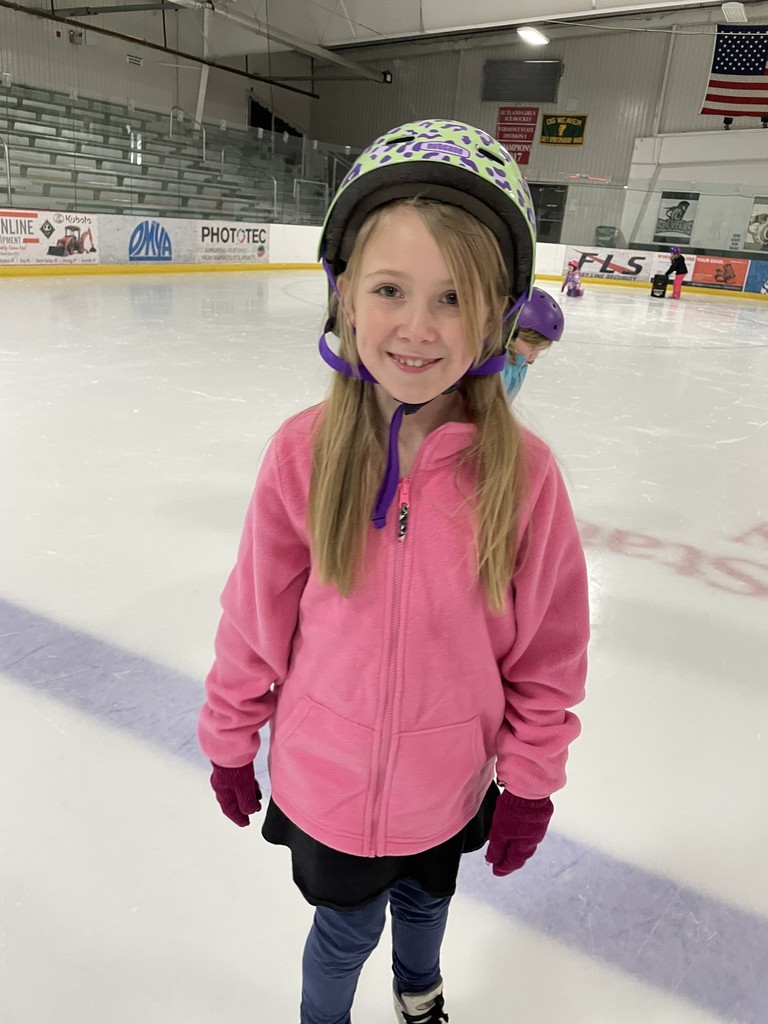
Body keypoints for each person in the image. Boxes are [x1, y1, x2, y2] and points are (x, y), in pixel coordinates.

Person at [198, 118, 590, 1024]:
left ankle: (421, 994)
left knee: (427, 905)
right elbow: (253, 620)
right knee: (342, 937)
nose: (417, 328)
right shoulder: (302, 454)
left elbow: (548, 655)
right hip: (328, 790)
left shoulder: (523, 478)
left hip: (448, 787)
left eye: (455, 297)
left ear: (499, 313)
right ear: (342, 296)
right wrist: (229, 737)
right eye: (390, 290)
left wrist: (529, 780)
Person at [502, 286, 565, 401]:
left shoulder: (519, 364)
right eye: (532, 347)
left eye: (539, 349)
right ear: (511, 332)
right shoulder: (498, 368)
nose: (534, 355)